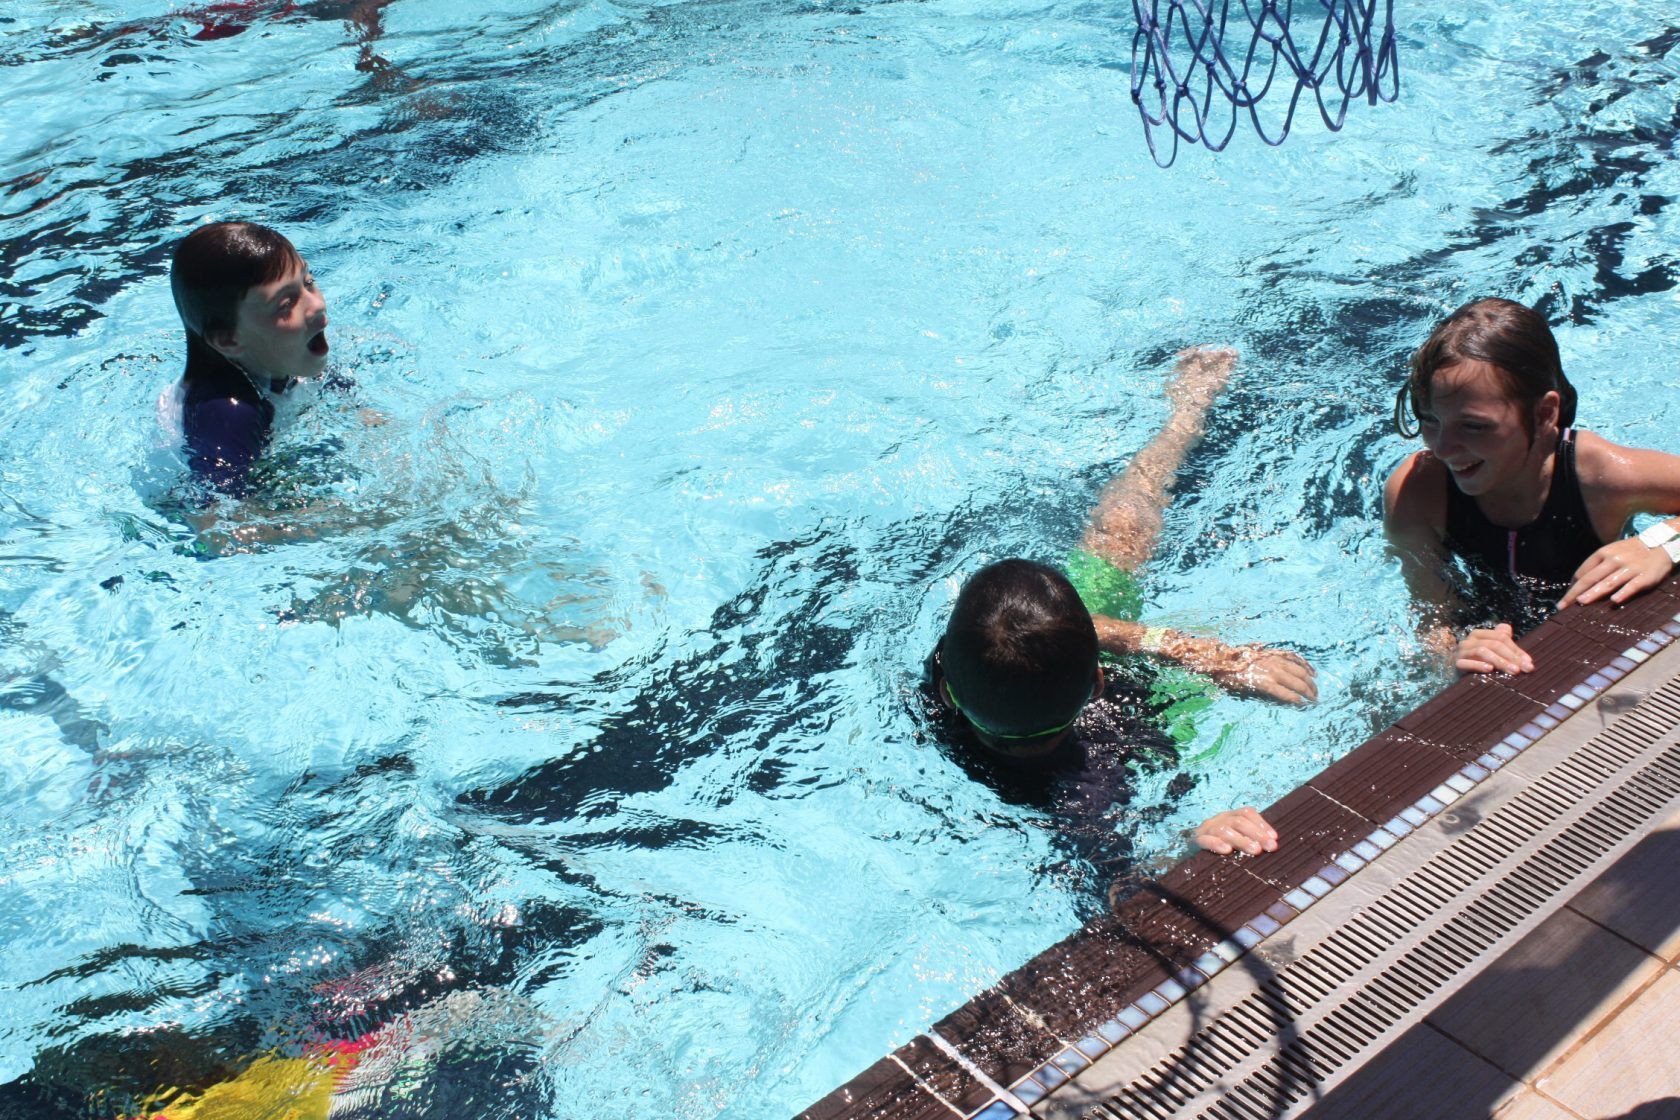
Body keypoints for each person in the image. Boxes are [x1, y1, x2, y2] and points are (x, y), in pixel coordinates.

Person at [924, 347, 1316, 869]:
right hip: (1141, 722)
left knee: (1121, 527)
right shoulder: (1087, 790)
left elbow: (1045, 635)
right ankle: (1185, 413)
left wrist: (1196, 652)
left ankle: (1184, 416)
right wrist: (1190, 843)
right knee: (1122, 539)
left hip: (1057, 695)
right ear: (1098, 682)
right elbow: (1118, 883)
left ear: (949, 690)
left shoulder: (955, 667)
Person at [1384, 297, 1680, 675]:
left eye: (1473, 426)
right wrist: (1453, 658)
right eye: (1430, 420)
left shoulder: (1600, 477)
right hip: (1492, 635)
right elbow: (1431, 621)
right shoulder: (1416, 492)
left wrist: (1661, 545)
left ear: (1544, 414)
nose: (1443, 448)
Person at [169, 221, 332, 496]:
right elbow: (213, 513)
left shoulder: (285, 356)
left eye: (308, 282)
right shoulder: (227, 415)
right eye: (286, 304)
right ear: (229, 340)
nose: (316, 305)